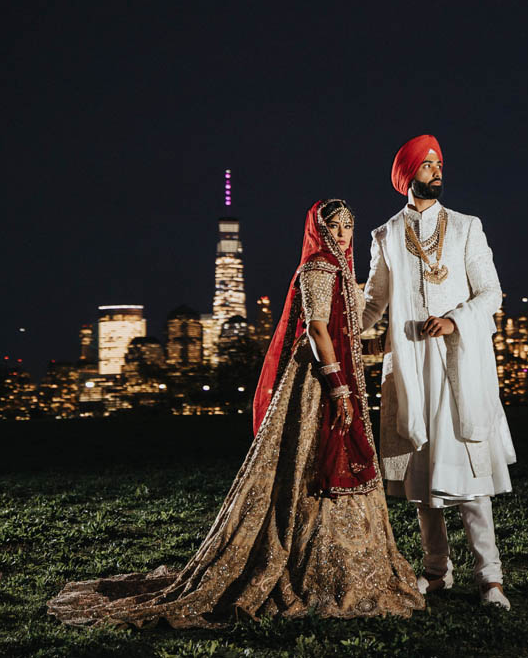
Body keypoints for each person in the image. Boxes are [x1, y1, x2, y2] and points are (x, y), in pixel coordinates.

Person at [47, 199, 424, 628]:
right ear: (319, 230)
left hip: (338, 375)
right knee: (310, 461)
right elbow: (319, 329)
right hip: (318, 382)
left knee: (334, 458)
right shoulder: (318, 268)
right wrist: (338, 387)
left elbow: (348, 330)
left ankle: (347, 564)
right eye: (334, 226)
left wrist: (384, 342)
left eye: (349, 226)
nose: (342, 234)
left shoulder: (342, 272)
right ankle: (305, 562)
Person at [362, 135, 517, 610]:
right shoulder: (386, 235)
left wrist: (455, 320)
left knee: (470, 477)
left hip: (459, 362)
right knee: (422, 478)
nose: (436, 170)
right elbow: (372, 303)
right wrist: (337, 330)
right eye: (427, 164)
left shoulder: (469, 228)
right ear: (408, 174)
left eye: (440, 163)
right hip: (411, 366)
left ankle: (490, 579)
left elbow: (491, 293)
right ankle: (436, 571)